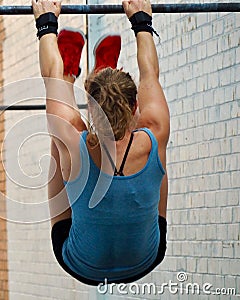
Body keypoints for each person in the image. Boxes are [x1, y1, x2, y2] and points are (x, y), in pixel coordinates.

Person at [32, 0, 170, 285]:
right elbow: (150, 74)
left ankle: (71, 76)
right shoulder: (153, 130)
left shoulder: (74, 136)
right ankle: (100, 71)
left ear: (90, 108)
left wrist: (47, 24)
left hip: (81, 264)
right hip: (145, 258)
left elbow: (50, 76)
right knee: (70, 135)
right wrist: (141, 22)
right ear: (134, 106)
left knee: (63, 139)